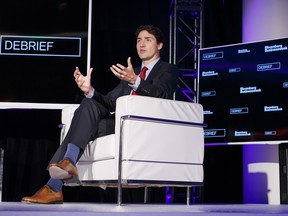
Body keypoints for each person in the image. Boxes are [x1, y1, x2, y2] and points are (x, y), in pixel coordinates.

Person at [21, 24, 179, 204]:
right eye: (138, 40)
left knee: (82, 126)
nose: (141, 44)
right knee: (88, 103)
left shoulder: (167, 70)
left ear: (159, 45)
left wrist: (136, 82)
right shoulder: (131, 72)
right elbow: (110, 101)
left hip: (141, 126)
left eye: (148, 40)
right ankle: (65, 167)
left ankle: (54, 185)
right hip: (117, 124)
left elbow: (162, 94)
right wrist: (90, 90)